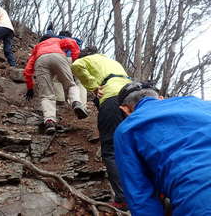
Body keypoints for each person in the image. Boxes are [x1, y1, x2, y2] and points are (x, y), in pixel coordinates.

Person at [115, 82, 211, 216]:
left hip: (200, 201)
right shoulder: (199, 103)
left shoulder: (127, 128)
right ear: (160, 98)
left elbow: (140, 197)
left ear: (125, 109)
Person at [71, 46, 131, 209]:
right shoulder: (113, 62)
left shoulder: (88, 59)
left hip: (111, 98)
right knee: (133, 147)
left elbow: (76, 66)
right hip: (131, 100)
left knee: (110, 149)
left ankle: (122, 198)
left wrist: (93, 86)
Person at [23, 35, 88, 135]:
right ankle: (76, 102)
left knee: (46, 95)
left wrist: (30, 88)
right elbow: (72, 43)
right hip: (58, 56)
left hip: (40, 60)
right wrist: (75, 61)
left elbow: (27, 70)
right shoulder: (57, 40)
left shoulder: (37, 47)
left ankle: (49, 122)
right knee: (70, 85)